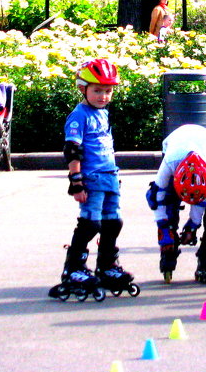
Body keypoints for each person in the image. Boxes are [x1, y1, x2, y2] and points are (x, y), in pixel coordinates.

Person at [49, 59, 137, 302]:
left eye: (108, 91)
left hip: (109, 176)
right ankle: (74, 268)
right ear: (83, 88)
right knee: (90, 224)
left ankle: (107, 265)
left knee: (113, 223)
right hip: (91, 178)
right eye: (97, 90)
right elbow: (73, 149)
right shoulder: (79, 116)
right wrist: (76, 180)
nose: (103, 96)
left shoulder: (103, 113)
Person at [146, 123, 206, 284]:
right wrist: (164, 229)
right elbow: (156, 197)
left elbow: (201, 198)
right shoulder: (170, 162)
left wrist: (192, 226)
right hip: (174, 146)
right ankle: (168, 254)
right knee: (169, 205)